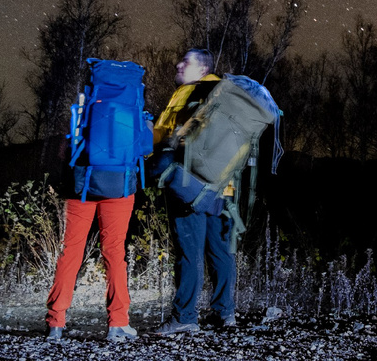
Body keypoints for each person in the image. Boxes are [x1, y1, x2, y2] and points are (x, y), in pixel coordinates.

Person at [151, 48, 238, 334]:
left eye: (185, 62)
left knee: (189, 252)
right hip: (224, 186)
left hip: (190, 186)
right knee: (220, 252)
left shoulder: (189, 93)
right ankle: (225, 314)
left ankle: (185, 316)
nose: (178, 64)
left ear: (202, 69)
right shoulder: (226, 93)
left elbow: (164, 138)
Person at [44, 124, 147, 340]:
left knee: (70, 251)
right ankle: (118, 323)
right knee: (114, 253)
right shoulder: (133, 103)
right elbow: (146, 146)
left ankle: (56, 323)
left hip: (82, 183)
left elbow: (64, 149)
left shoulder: (87, 102)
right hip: (120, 186)